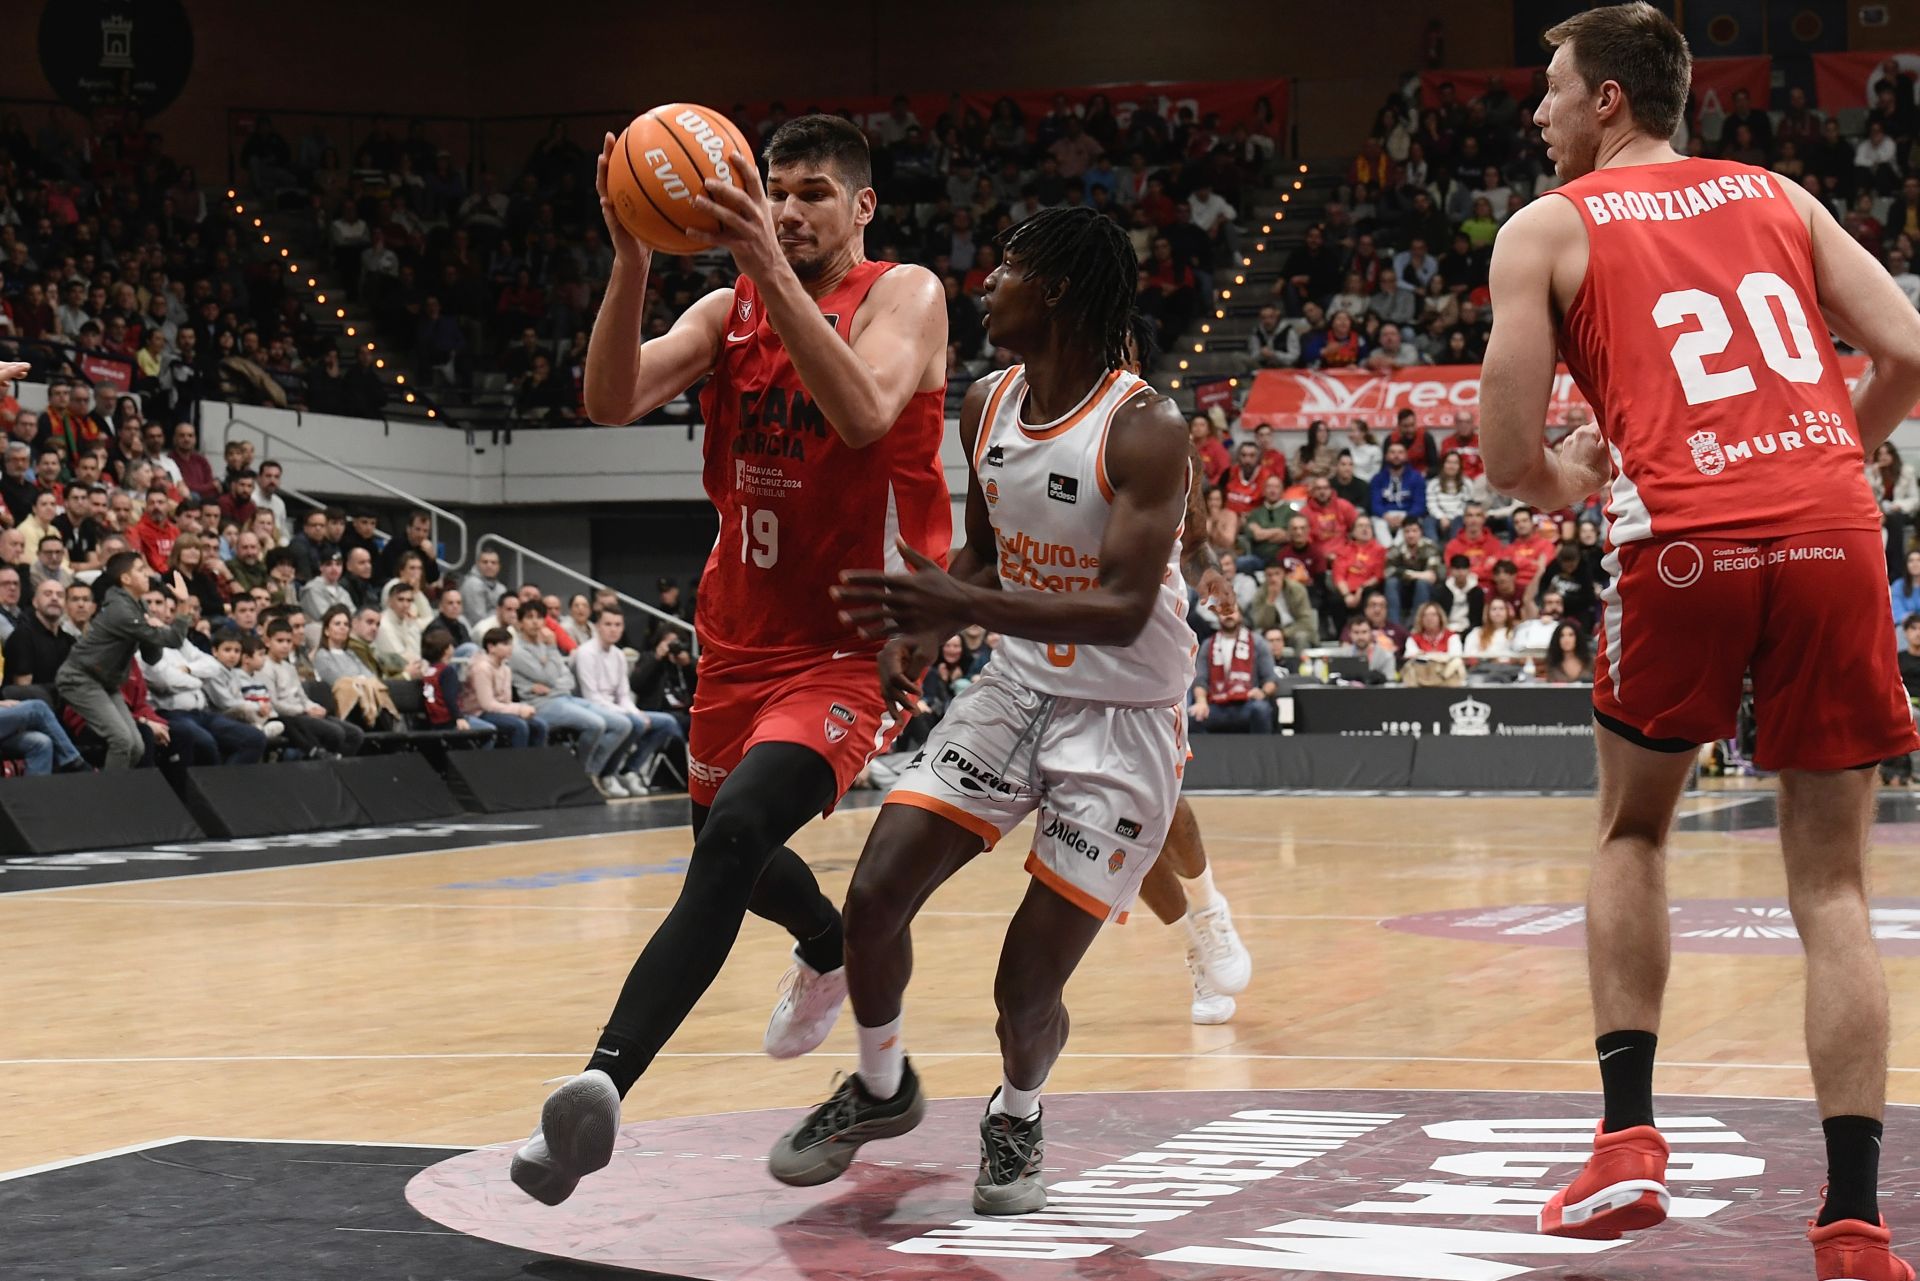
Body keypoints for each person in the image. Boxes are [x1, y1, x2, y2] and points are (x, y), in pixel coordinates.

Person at [1478, 6, 1920, 1268]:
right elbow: (1908, 351)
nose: (1539, 111)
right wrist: (1835, 439)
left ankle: (1627, 1143)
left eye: (1553, 89)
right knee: (1834, 888)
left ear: (1609, 101)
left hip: (1680, 536)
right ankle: (1853, 1225)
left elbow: (1512, 455)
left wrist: (1574, 477)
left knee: (1632, 828)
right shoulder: (1778, 194)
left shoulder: (1548, 227)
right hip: (1835, 529)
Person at [512, 114, 951, 1207]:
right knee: (728, 851)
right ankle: (826, 943)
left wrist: (760, 257)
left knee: (743, 830)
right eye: (775, 192)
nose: (790, 211)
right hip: (739, 637)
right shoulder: (725, 310)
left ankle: (597, 1088)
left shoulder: (908, 295)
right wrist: (630, 255)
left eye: (812, 194)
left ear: (861, 210)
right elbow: (608, 401)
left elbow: (860, 413)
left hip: (855, 643)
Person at [765, 206, 1193, 1217]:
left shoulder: (1145, 427)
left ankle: (1018, 1111)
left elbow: (1125, 610)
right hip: (1015, 686)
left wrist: (961, 604)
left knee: (1022, 987)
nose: (986, 282)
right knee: (873, 895)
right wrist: (927, 628)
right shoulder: (986, 402)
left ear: (1056, 293)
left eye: (1007, 269)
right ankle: (880, 1087)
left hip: (1123, 718)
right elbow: (988, 555)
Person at [54, 552, 192, 769]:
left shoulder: (138, 605)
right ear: (126, 579)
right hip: (80, 678)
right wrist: (182, 605)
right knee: (121, 740)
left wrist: (152, 633)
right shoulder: (120, 610)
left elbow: (151, 657)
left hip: (106, 682)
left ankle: (120, 793)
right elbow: (174, 639)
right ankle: (110, 800)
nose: (147, 574)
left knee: (136, 745)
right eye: (140, 569)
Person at [506, 600, 632, 796]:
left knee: (623, 724)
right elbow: (547, 676)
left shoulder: (544, 644)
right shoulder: (517, 651)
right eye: (529, 618)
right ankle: (580, 775)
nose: (535, 622)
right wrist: (551, 650)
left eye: (539, 617)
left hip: (563, 697)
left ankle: (592, 772)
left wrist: (551, 679)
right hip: (540, 704)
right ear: (520, 622)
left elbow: (568, 680)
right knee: (596, 724)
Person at [572, 607, 684, 795]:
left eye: (618, 625)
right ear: (598, 626)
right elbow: (591, 696)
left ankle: (629, 770)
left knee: (666, 722)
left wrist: (634, 711)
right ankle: (605, 773)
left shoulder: (618, 655)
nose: (613, 629)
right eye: (608, 624)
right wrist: (629, 714)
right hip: (590, 708)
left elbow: (624, 695)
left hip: (616, 709)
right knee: (631, 723)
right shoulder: (586, 653)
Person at [1188, 596, 1277, 734]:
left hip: (1247, 703)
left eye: (1233, 611)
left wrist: (1263, 692)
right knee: (1194, 716)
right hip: (1216, 705)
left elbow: (1270, 678)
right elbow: (1200, 680)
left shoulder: (1257, 642)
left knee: (1261, 710)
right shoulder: (1208, 645)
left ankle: (1261, 754)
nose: (1229, 616)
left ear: (1240, 615)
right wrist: (1201, 702)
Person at [462, 625, 548, 748]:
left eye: (511, 644)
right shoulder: (481, 668)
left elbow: (505, 701)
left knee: (540, 725)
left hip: (499, 710)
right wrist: (518, 710)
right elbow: (487, 705)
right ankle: (517, 764)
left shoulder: (505, 668)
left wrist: (523, 708)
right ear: (491, 647)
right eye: (505, 644)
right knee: (519, 726)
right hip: (478, 712)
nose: (510, 648)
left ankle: (535, 764)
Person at [4, 578, 72, 685]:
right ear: (35, 602)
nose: (54, 598)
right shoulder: (22, 636)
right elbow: (23, 690)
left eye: (60, 595)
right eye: (47, 594)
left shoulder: (69, 641)